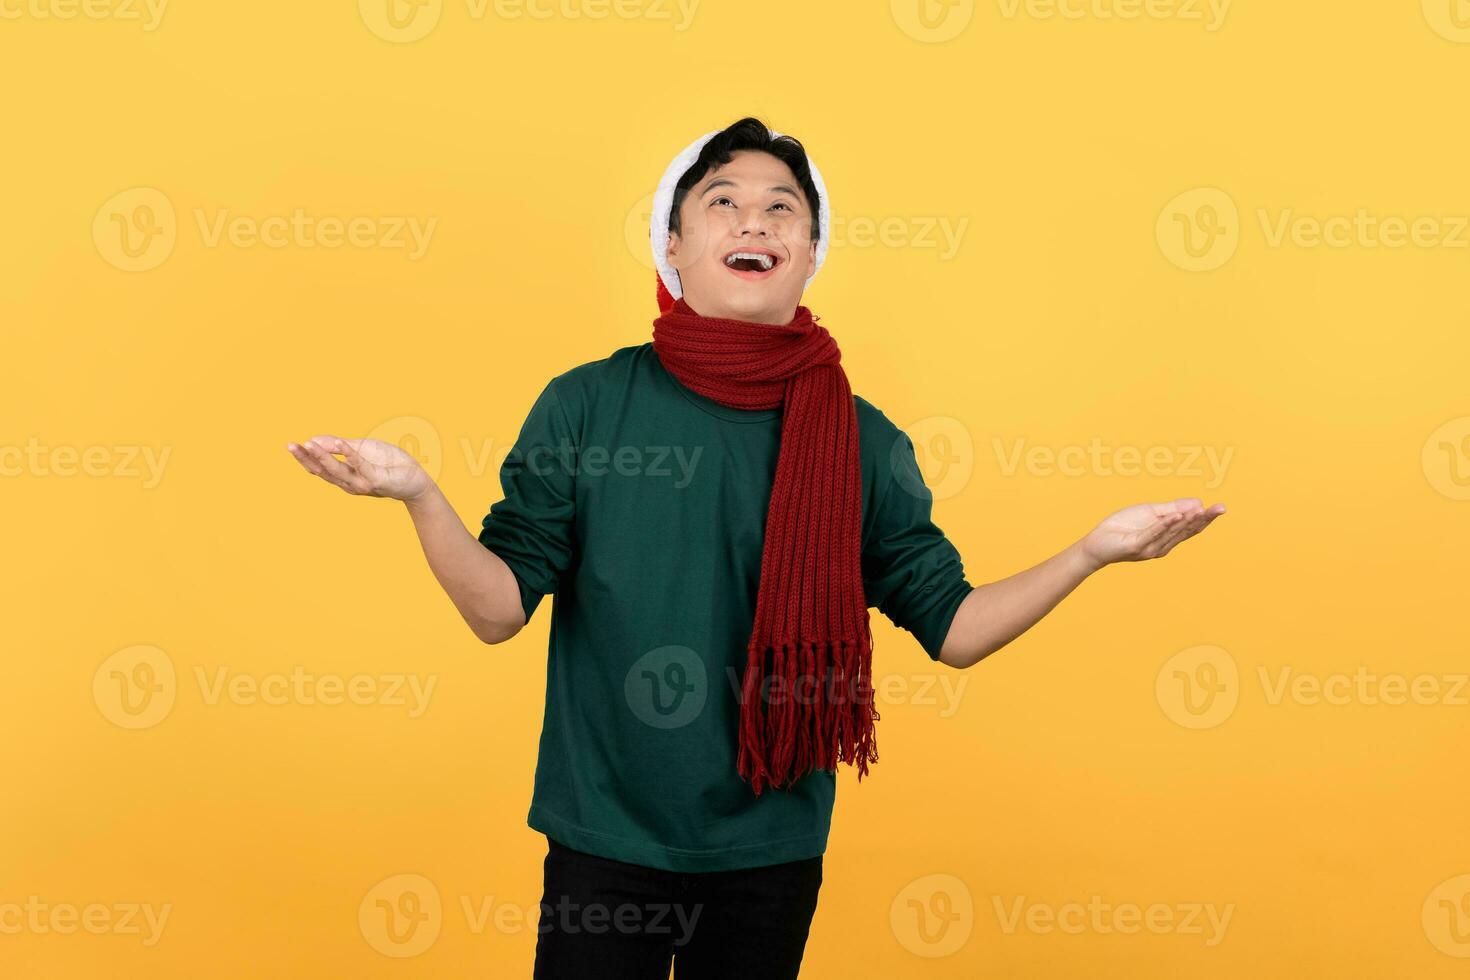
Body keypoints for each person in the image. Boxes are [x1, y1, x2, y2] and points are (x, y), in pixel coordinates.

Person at [286, 116, 1225, 979]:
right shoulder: (586, 405)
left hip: (770, 849)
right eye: (723, 202)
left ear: (811, 255)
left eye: (784, 209)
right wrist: (419, 496)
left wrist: (1091, 554)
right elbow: (497, 611)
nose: (756, 220)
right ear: (673, 247)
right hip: (606, 840)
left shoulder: (860, 441)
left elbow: (956, 628)